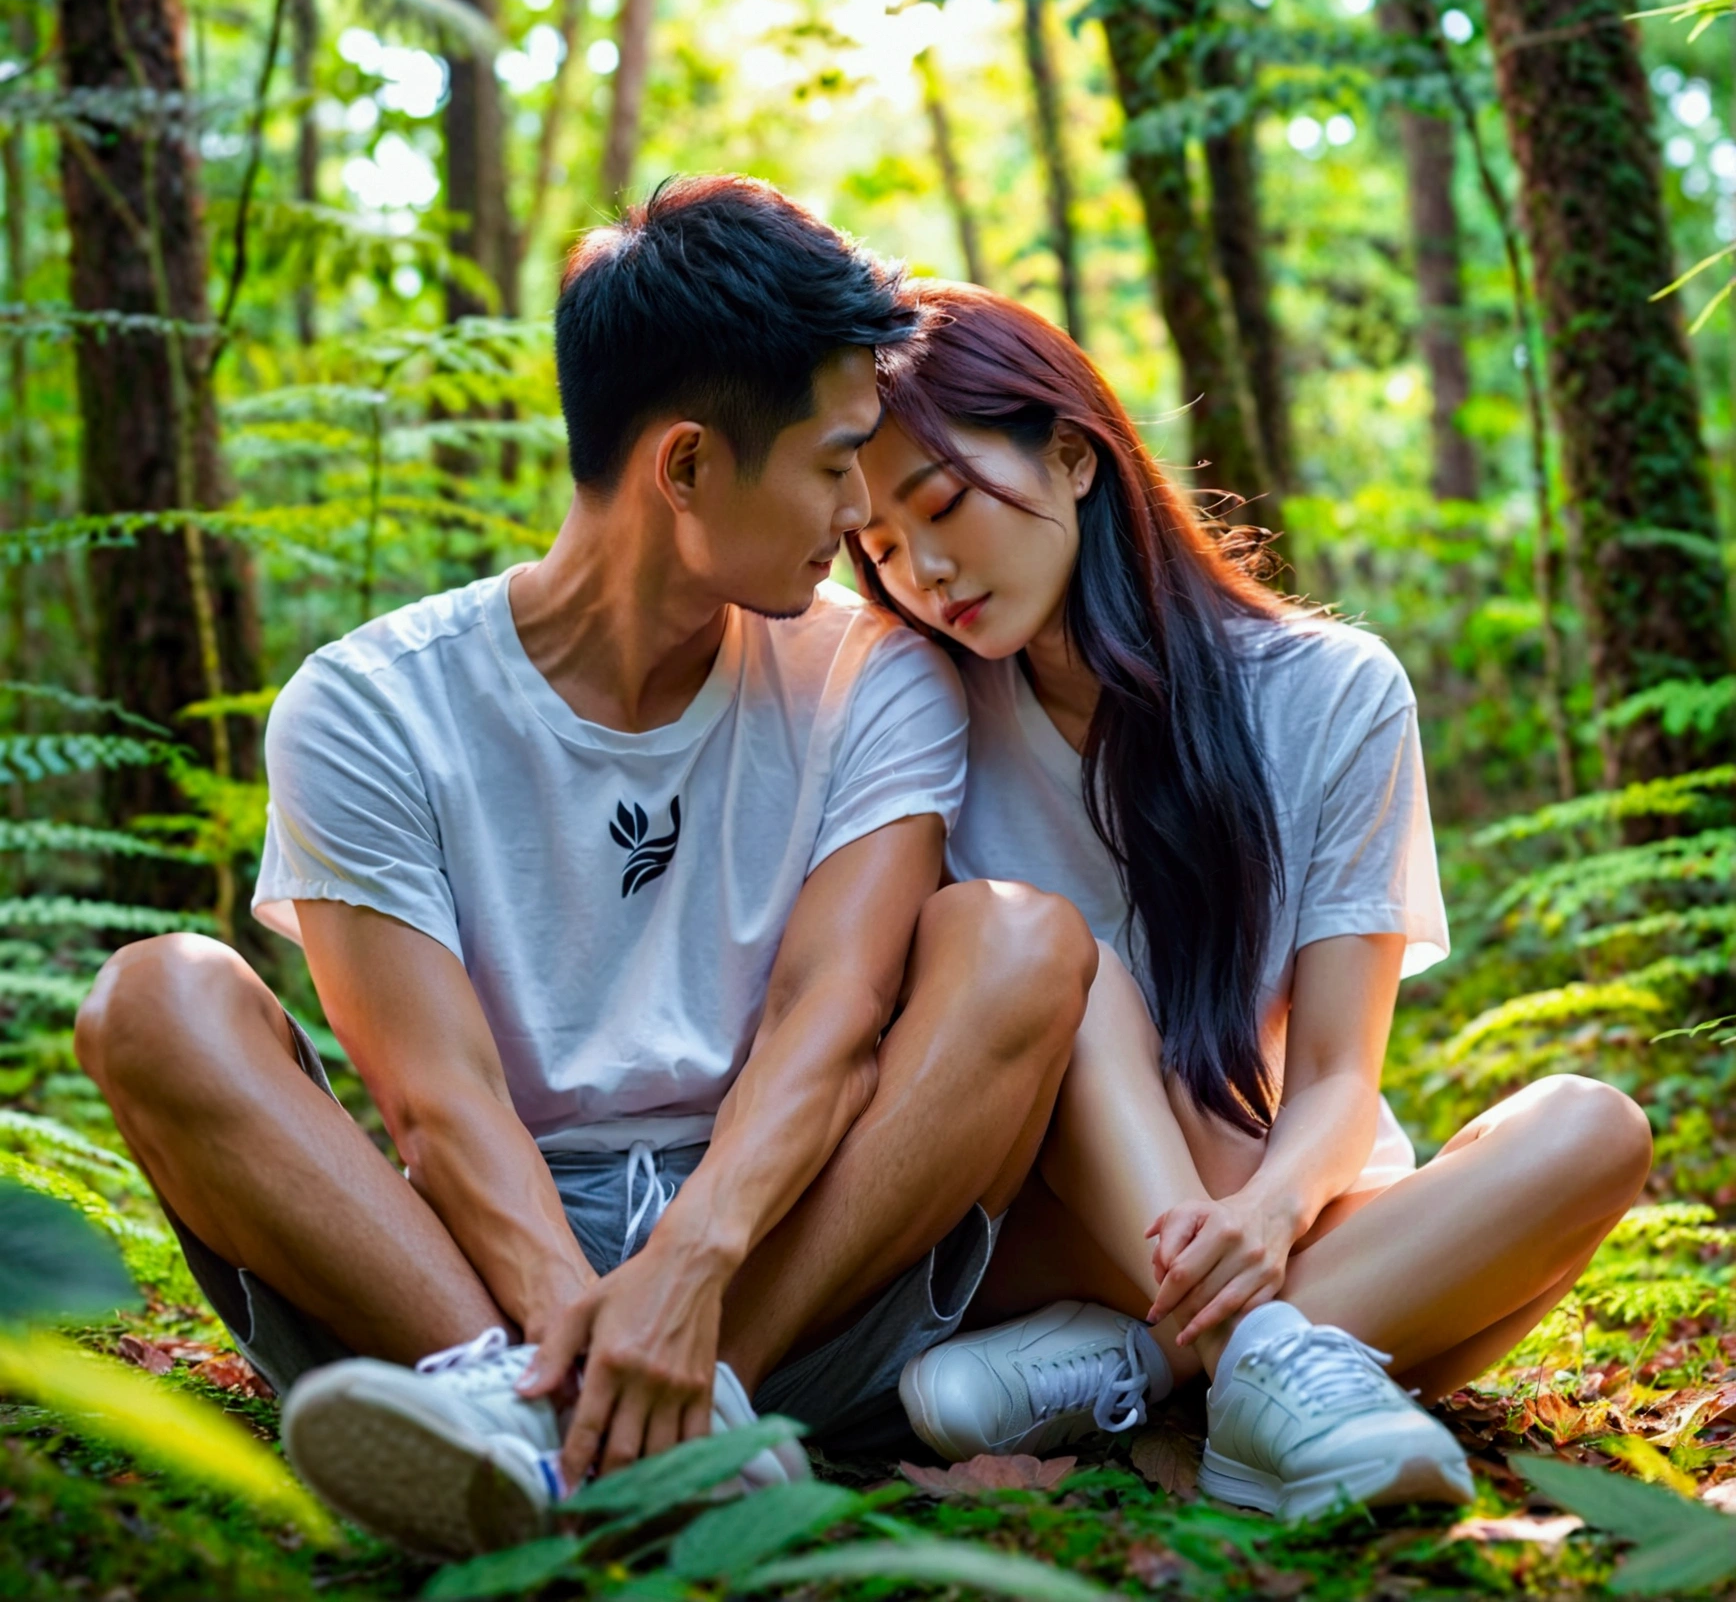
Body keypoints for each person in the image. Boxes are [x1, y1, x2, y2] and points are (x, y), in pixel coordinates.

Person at [72, 187, 1100, 1558]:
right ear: (685, 468)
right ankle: (582, 1422)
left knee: (1022, 940)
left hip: (783, 1242)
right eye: (832, 460)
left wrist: (689, 1271)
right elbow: (439, 1104)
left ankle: (610, 1437)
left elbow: (829, 1018)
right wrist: (579, 1322)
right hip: (457, 1283)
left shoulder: (871, 673)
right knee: (155, 998)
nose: (859, 512)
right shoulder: (371, 706)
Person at [851, 282, 1654, 1521]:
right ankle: (1267, 1367)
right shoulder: (915, 708)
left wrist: (1270, 1214)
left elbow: (1336, 1073)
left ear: (1073, 455)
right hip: (1025, 1235)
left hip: (1258, 1198)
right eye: (881, 547)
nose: (924, 572)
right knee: (1069, 967)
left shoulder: (1329, 694)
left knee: (1589, 1128)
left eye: (941, 503)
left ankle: (1152, 1364)